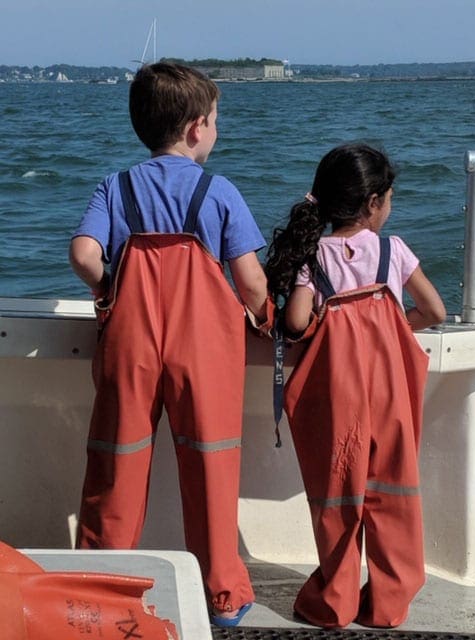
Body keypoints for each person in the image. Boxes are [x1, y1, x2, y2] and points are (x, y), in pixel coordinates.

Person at [68, 61, 267, 627]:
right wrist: (266, 316)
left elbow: (84, 254)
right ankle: (223, 596)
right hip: (202, 347)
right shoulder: (217, 191)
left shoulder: (116, 186)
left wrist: (110, 286)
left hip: (131, 339)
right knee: (210, 464)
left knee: (117, 463)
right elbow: (251, 282)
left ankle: (100, 594)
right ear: (198, 127)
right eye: (216, 120)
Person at [263, 143, 446, 628]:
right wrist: (388, 328)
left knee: (337, 496)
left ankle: (334, 602)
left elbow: (297, 322)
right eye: (388, 199)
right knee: (393, 493)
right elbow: (435, 311)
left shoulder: (314, 257)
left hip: (338, 397)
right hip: (389, 394)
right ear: (373, 203)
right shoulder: (392, 250)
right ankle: (387, 604)